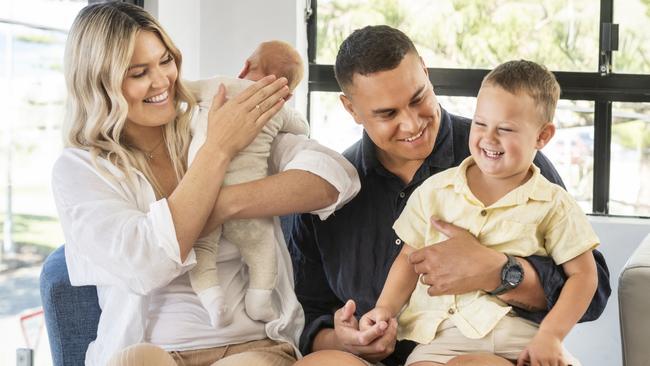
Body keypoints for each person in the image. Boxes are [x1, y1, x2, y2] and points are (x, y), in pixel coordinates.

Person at [52, 3, 359, 366]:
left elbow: (336, 178)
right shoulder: (80, 170)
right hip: (152, 349)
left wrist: (223, 204)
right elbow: (148, 263)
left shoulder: (210, 120)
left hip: (249, 347)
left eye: (166, 60)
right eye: (139, 72)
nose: (162, 80)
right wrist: (217, 149)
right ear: (98, 82)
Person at [288, 25, 611, 366]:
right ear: (351, 109)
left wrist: (502, 273)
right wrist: (344, 339)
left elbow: (593, 291)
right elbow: (303, 310)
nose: (412, 124)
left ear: (426, 72)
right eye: (388, 114)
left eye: (418, 99)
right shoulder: (329, 188)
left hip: (497, 350)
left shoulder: (510, 162)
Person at [360, 59, 597, 366]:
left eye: (506, 129)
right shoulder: (435, 191)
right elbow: (408, 258)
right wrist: (385, 309)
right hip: (441, 338)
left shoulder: (554, 203)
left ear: (542, 136)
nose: (488, 138)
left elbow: (585, 276)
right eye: (480, 123)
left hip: (520, 338)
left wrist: (551, 336)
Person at [184, 40, 309, 327]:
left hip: (203, 196)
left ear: (245, 68)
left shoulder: (220, 87)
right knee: (263, 251)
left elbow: (182, 89)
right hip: (249, 207)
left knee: (202, 252)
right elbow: (302, 128)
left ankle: (214, 301)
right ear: (287, 94)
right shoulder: (279, 110)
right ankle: (260, 301)